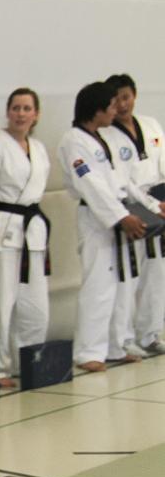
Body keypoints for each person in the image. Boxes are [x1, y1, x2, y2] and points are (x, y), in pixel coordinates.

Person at [57, 81, 149, 372]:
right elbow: (91, 184)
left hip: (117, 213)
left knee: (122, 286)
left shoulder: (100, 138)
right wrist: (120, 217)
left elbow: (121, 181)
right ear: (96, 109)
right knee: (98, 285)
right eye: (110, 105)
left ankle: (114, 345)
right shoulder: (74, 141)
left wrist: (149, 205)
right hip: (97, 219)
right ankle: (88, 352)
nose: (115, 110)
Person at [0, 88, 52, 387]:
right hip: (1, 229)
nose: (21, 114)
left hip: (32, 231)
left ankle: (29, 361)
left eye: (27, 108)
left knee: (35, 305)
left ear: (37, 114)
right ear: (7, 112)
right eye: (16, 108)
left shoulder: (39, 148)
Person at [102, 73, 165, 358]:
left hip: (159, 203)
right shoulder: (107, 135)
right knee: (128, 276)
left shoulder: (150, 124)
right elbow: (122, 179)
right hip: (132, 207)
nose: (122, 105)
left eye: (126, 97)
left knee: (157, 273)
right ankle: (124, 339)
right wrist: (150, 203)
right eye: (116, 100)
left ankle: (150, 333)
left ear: (134, 95)